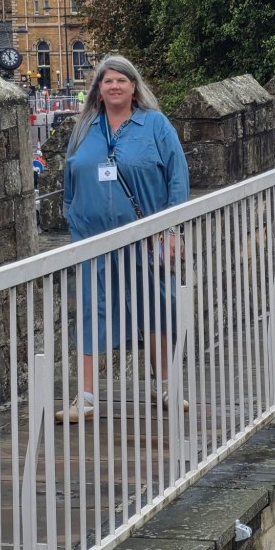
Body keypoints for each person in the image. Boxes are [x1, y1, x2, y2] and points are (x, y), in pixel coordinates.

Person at [57, 55, 190, 423]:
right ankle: (85, 397)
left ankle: (165, 385)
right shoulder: (84, 128)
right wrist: (74, 220)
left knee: (155, 307)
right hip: (92, 239)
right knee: (91, 309)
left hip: (145, 236)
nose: (114, 86)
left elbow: (177, 177)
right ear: (98, 91)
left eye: (121, 80)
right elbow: (69, 180)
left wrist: (171, 230)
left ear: (134, 87)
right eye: (108, 81)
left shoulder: (155, 125)